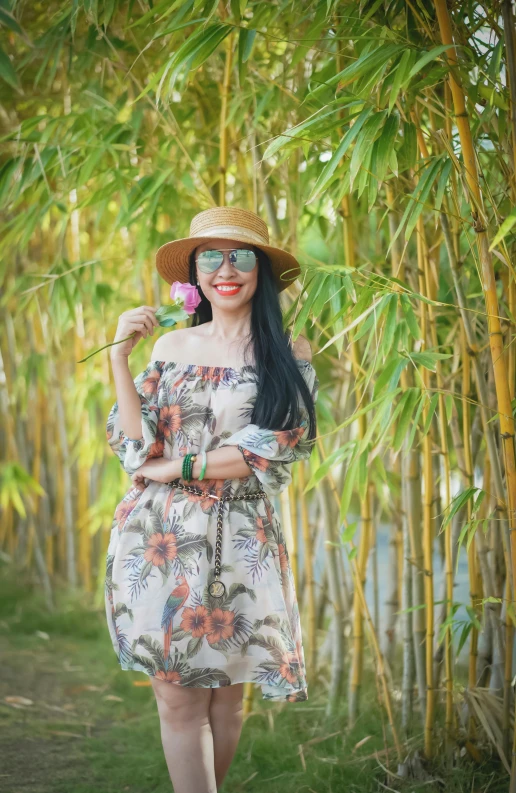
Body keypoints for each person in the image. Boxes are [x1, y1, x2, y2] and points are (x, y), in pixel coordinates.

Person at [104, 206, 319, 793]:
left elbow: (273, 445)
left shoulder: (286, 352)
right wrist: (119, 358)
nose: (227, 270)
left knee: (226, 701)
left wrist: (181, 464)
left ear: (262, 271)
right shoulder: (171, 344)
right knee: (177, 699)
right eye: (211, 258)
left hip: (241, 536)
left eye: (241, 256)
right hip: (160, 538)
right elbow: (134, 441)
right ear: (195, 273)